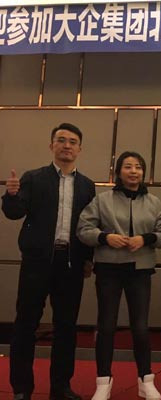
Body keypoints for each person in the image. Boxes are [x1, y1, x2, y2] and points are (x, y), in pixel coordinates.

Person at [1, 123, 96, 400]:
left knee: (66, 327)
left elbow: (89, 226)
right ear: (51, 145)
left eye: (73, 141)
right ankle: (22, 388)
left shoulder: (87, 185)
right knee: (26, 324)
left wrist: (88, 259)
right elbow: (14, 213)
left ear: (80, 149)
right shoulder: (34, 178)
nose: (67, 145)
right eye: (61, 140)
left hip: (71, 264)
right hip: (37, 262)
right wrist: (11, 195)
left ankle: (61, 387)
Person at [77, 151, 161, 400]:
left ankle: (145, 380)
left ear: (143, 172)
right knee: (106, 326)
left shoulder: (154, 202)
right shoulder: (103, 200)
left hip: (140, 269)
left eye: (138, 167)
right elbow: (83, 228)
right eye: (128, 166)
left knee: (140, 327)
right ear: (118, 172)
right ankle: (103, 381)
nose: (134, 171)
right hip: (109, 268)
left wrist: (146, 239)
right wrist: (105, 237)